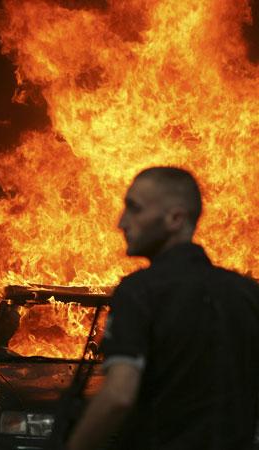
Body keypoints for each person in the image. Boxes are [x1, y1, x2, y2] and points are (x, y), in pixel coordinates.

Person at [65, 166, 259, 450]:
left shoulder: (140, 291)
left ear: (175, 218)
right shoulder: (247, 293)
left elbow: (119, 395)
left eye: (135, 209)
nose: (122, 222)